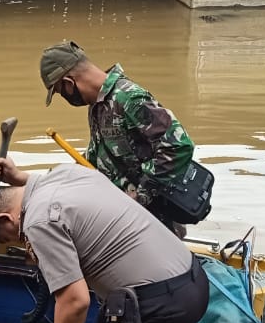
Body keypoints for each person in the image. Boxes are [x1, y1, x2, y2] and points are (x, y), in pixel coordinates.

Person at [0, 156, 209, 323]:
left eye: (9, 237)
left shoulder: (38, 221)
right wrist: (18, 175)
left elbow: (75, 302)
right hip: (193, 279)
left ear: (5, 219)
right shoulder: (67, 173)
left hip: (160, 306)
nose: (17, 241)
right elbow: (36, 183)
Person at [39, 40, 197, 237]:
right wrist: (58, 179)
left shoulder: (129, 98)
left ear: (69, 83)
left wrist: (140, 196)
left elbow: (178, 146)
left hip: (153, 222)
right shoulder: (98, 105)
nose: (64, 98)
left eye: (60, 92)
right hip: (126, 218)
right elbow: (98, 156)